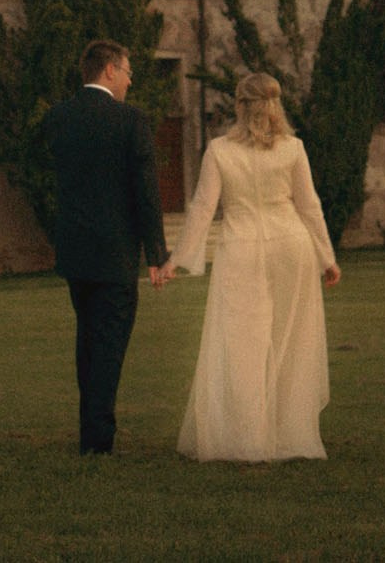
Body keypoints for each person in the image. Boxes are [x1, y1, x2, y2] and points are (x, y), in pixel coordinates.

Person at [160, 72, 341, 461]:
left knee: (242, 344)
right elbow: (309, 206)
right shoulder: (293, 149)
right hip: (291, 247)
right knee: (290, 341)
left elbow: (203, 208)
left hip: (242, 249)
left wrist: (177, 259)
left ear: (240, 106)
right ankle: (287, 434)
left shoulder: (221, 151)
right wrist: (327, 257)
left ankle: (248, 437)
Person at [45, 38, 170, 455]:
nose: (131, 81)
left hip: (76, 252)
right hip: (115, 253)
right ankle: (97, 439)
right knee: (109, 345)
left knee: (88, 341)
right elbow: (146, 193)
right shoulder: (130, 122)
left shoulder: (59, 118)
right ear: (110, 70)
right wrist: (156, 254)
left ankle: (91, 429)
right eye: (129, 71)